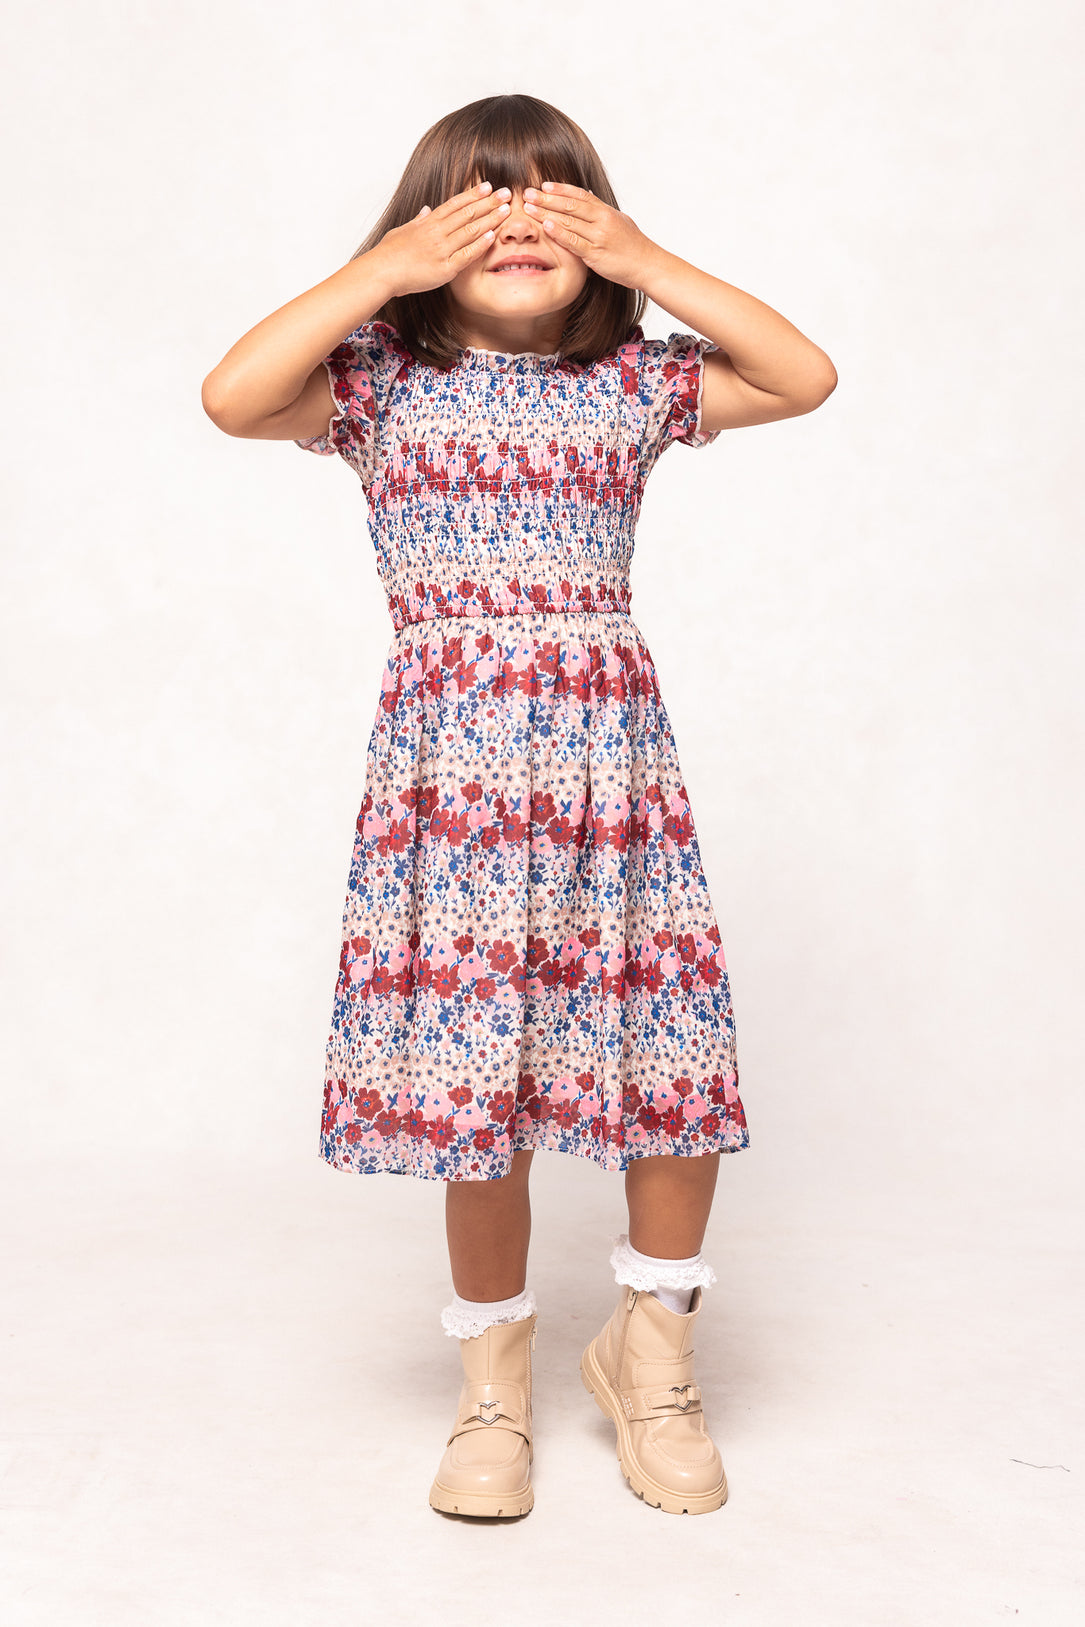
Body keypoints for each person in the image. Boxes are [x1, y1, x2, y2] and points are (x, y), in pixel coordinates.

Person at [202, 92, 836, 1520]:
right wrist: (378, 273)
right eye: (480, 202)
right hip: (457, 790)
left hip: (611, 774)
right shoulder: (375, 382)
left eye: (552, 200)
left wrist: (646, 254)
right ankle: (492, 1390)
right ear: (425, 237)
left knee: (664, 1048)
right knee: (475, 1081)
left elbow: (802, 376)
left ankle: (652, 1348)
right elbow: (234, 396)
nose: (519, 222)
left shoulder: (633, 382)